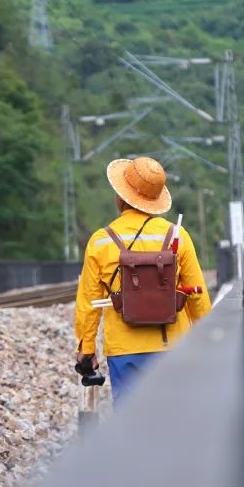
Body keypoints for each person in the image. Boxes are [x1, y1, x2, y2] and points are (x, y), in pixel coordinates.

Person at [74, 155, 212, 403]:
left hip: (124, 350)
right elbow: (197, 295)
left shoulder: (101, 241)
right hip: (173, 346)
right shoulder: (177, 235)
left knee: (131, 423)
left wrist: (86, 350)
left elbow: (88, 303)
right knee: (174, 416)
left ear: (121, 196)